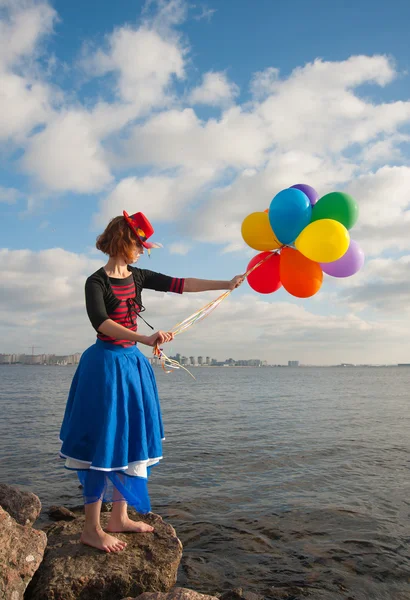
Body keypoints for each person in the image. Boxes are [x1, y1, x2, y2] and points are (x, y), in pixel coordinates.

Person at [59, 210, 244, 553]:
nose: (143, 251)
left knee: (129, 439)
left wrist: (225, 283)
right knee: (103, 441)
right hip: (104, 367)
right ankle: (91, 529)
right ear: (124, 241)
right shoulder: (95, 282)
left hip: (131, 365)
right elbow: (100, 322)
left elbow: (180, 284)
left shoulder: (139, 276)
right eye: (139, 244)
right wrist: (144, 338)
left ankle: (119, 518)